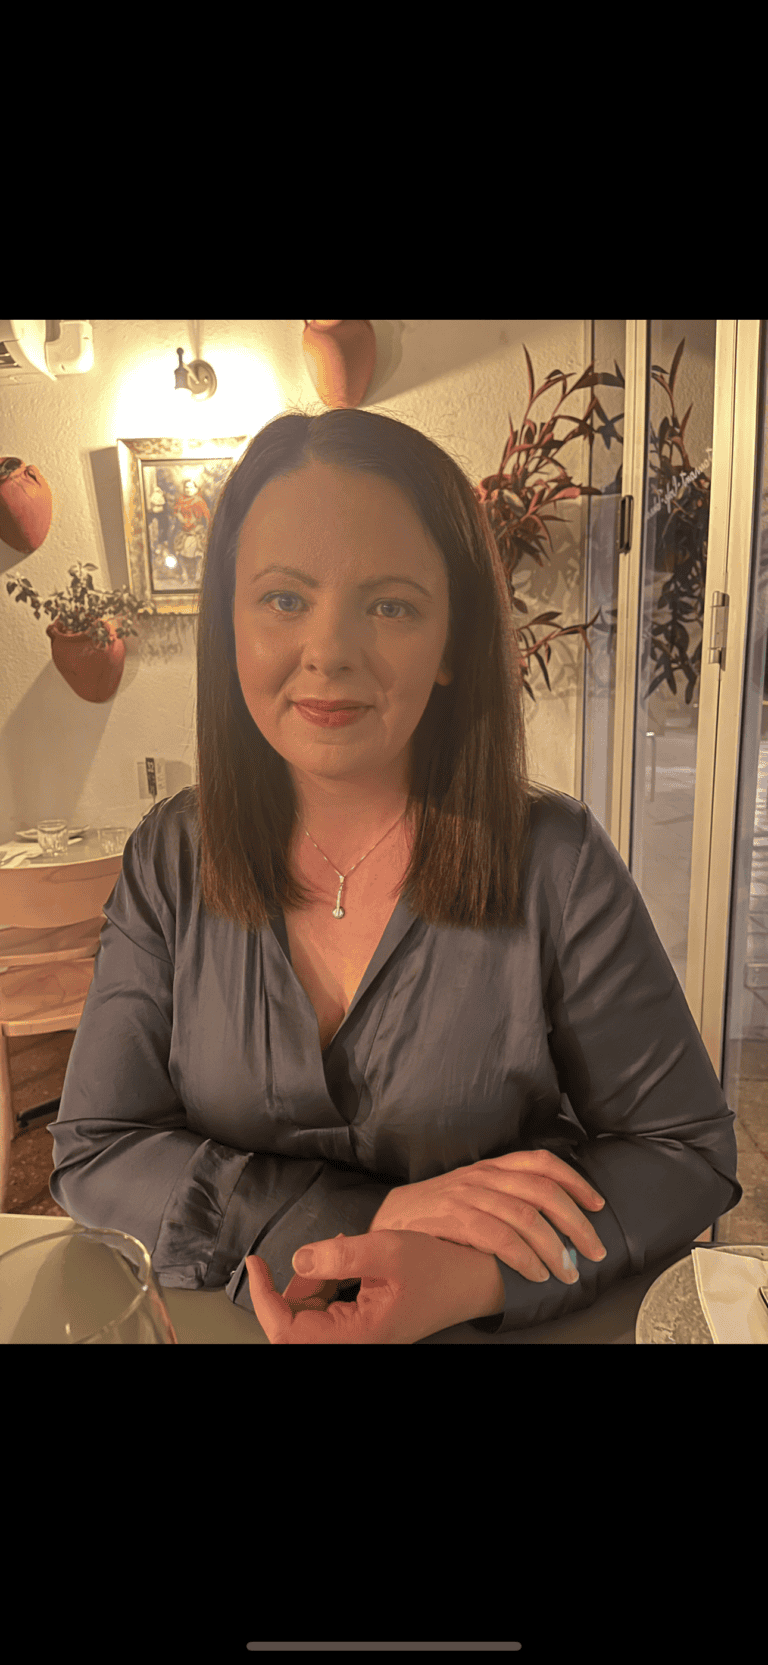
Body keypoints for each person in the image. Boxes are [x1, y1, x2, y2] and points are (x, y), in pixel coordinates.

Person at [49, 407, 742, 1343]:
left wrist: (469, 1276)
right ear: (231, 628)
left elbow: (684, 1152)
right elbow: (97, 1148)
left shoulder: (557, 863)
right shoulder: (170, 860)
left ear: (454, 642)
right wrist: (371, 1221)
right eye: (285, 599)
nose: (329, 649)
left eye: (391, 604)